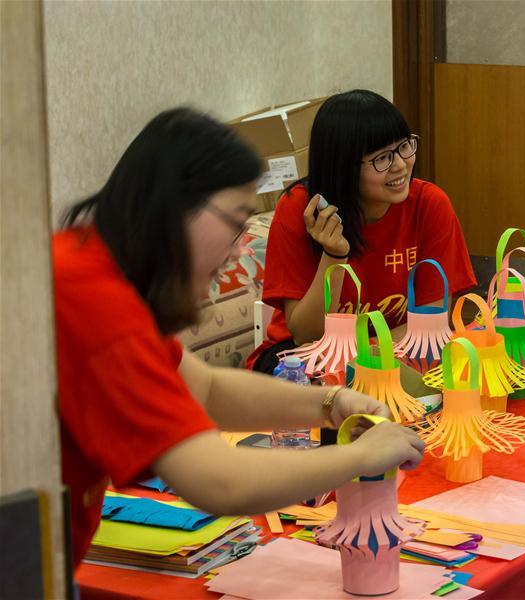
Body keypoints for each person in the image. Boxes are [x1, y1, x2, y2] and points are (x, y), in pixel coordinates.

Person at [54, 107, 425, 567]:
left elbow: (207, 389)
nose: (238, 253)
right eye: (235, 224)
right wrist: (360, 458)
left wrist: (331, 403)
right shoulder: (93, 302)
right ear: (176, 207)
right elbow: (220, 482)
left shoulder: (96, 270)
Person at [247, 89, 476, 373]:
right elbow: (306, 335)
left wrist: (364, 358)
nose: (401, 165)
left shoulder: (429, 204)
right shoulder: (300, 209)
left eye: (404, 146)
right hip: (305, 359)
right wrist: (334, 256)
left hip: (394, 352)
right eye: (382, 158)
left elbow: (431, 326)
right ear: (343, 166)